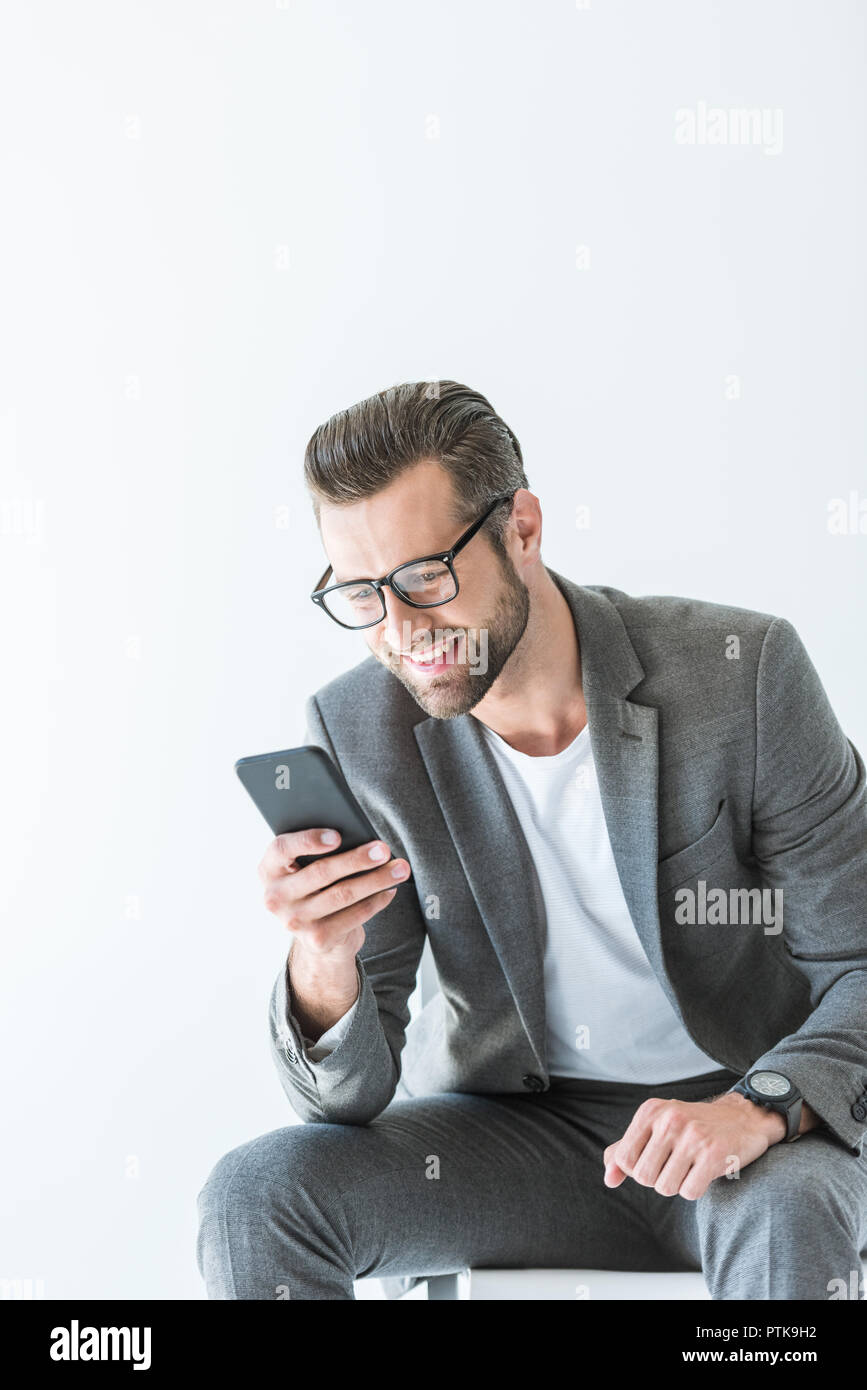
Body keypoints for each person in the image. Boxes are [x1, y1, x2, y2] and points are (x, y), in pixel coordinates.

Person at [197, 381, 867, 1300]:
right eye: (359, 593)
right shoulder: (357, 731)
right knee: (255, 1196)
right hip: (508, 1142)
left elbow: (856, 963)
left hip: (735, 1125)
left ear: (522, 527)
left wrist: (759, 1108)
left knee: (792, 1211)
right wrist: (325, 959)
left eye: (424, 577)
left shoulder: (741, 676)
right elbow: (343, 1102)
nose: (399, 632)